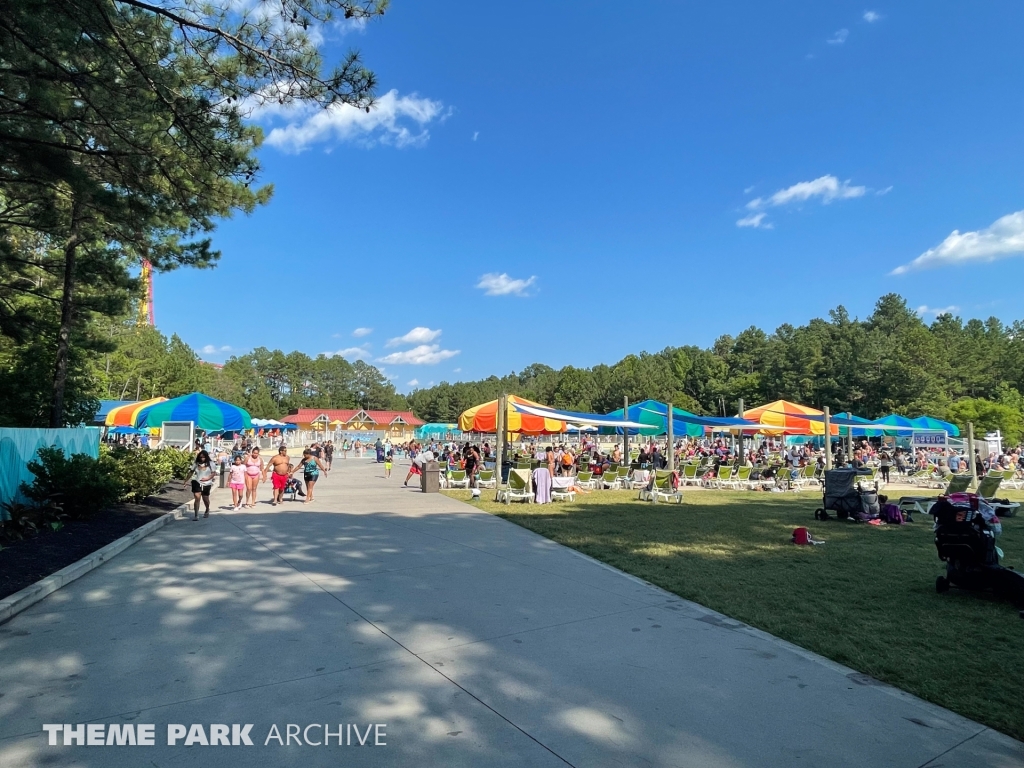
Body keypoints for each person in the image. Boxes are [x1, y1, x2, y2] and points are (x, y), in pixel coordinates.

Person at [185, 450, 216, 520]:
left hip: (207, 483)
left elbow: (213, 473)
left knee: (205, 499)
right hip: (196, 481)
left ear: (206, 457)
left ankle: (207, 509)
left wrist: (207, 478)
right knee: (197, 497)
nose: (202, 459)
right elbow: (191, 472)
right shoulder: (196, 463)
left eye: (204, 457)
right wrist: (186, 480)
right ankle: (196, 515)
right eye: (201, 457)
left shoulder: (211, 463)